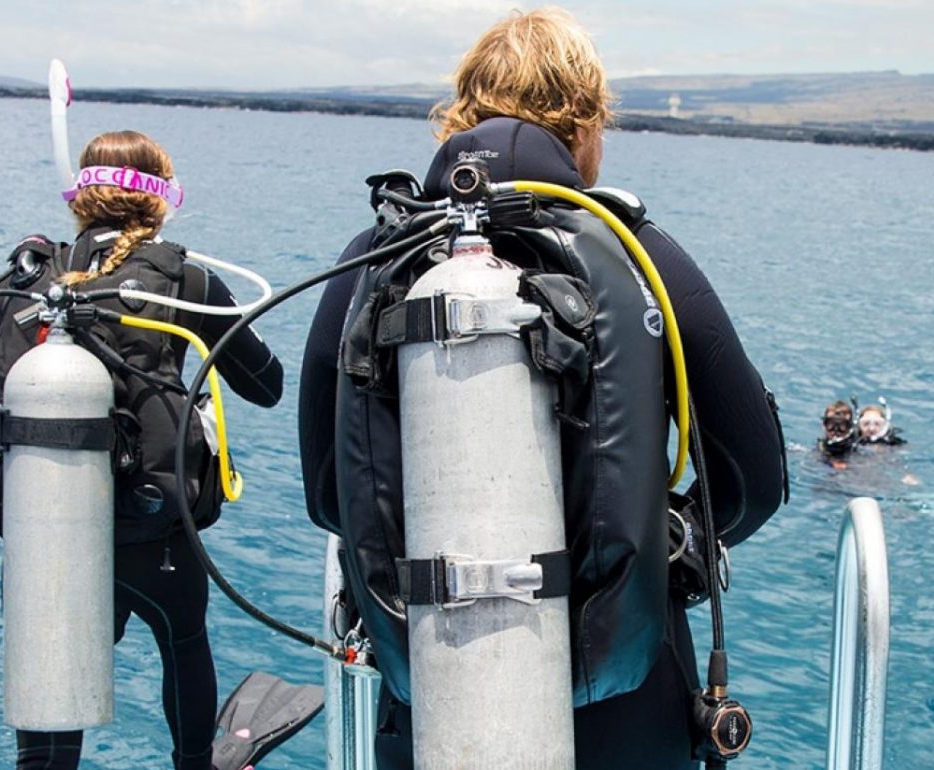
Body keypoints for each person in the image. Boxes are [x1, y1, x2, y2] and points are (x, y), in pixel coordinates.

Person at [296, 8, 787, 769]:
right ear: (585, 125)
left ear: (460, 114)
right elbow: (754, 482)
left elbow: (331, 490)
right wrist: (663, 542)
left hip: (438, 694)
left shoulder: (376, 257)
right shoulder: (637, 254)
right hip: (625, 705)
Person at [0, 130, 285, 770]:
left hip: (40, 534)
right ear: (162, 201)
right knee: (182, 642)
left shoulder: (26, 280)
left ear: (79, 200)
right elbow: (266, 387)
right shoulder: (182, 281)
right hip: (150, 533)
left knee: (51, 684)